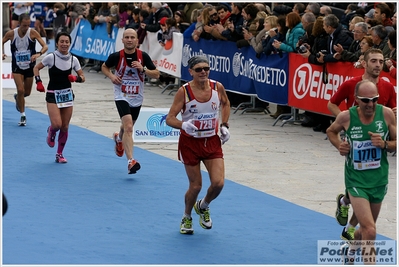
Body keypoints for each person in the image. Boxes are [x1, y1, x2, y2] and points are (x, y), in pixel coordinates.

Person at [327, 48, 397, 241]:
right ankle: (346, 209)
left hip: (376, 156)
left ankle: (349, 220)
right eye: (373, 61)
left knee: (364, 203)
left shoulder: (388, 87)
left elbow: (392, 113)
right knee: (359, 194)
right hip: (355, 153)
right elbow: (332, 103)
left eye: (381, 62)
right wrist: (346, 123)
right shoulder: (351, 84)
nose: (377, 65)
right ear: (364, 63)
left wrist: (388, 136)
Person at [165, 55, 230, 234]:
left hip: (211, 141)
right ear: (191, 72)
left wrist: (224, 125)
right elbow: (169, 118)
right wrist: (183, 124)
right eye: (199, 69)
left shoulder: (217, 87)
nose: (203, 72)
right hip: (190, 143)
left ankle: (203, 205)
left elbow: (225, 103)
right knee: (196, 186)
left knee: (218, 183)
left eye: (206, 69)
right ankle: (186, 216)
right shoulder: (184, 92)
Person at [101, 28, 160, 174]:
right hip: (121, 94)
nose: (129, 40)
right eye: (126, 37)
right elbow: (104, 67)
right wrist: (112, 77)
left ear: (137, 40)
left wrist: (143, 69)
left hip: (137, 96)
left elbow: (157, 74)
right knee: (128, 127)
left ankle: (118, 138)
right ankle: (131, 161)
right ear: (122, 40)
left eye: (132, 37)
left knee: (127, 127)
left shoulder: (143, 56)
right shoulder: (116, 56)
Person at [33, 32, 85, 163]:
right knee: (57, 124)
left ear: (69, 43)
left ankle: (59, 154)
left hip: (67, 94)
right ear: (57, 43)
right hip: (53, 94)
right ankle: (51, 130)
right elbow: (36, 68)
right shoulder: (51, 57)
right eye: (61, 41)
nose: (64, 44)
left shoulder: (74, 59)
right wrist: (38, 81)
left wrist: (76, 78)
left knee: (65, 127)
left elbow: (83, 77)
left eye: (67, 42)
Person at [2, 13, 48, 126]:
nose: (26, 28)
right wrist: (2, 53)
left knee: (26, 92)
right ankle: (23, 115)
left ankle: (17, 97)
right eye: (24, 25)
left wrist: (38, 54)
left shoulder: (32, 32)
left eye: (28, 25)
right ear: (19, 24)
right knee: (21, 89)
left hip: (29, 65)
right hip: (17, 65)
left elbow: (45, 46)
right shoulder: (11, 34)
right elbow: (2, 41)